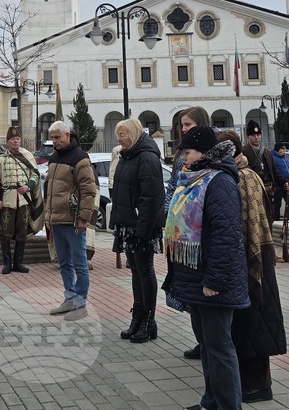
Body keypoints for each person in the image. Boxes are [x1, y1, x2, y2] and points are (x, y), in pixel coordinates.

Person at [165, 126, 249, 410]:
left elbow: (227, 236)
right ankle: (211, 402)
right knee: (209, 349)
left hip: (214, 282)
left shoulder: (219, 183)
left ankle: (227, 405)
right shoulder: (194, 179)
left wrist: (214, 280)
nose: (183, 159)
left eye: (187, 152)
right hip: (196, 279)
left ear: (202, 152)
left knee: (220, 348)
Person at [216, 130, 287, 404]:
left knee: (255, 321)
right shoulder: (237, 173)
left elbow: (248, 223)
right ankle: (250, 383)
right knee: (247, 325)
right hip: (246, 258)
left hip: (253, 257)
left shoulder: (243, 177)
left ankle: (257, 386)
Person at [110, 119, 165, 343]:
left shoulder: (147, 157)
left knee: (145, 270)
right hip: (128, 224)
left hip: (142, 226)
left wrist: (142, 228)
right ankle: (138, 317)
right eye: (118, 134)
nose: (119, 138)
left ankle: (149, 321)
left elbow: (151, 198)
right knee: (135, 271)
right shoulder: (127, 155)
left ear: (133, 134)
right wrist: (117, 222)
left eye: (122, 134)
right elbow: (120, 193)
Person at [166, 106, 211, 361]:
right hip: (181, 235)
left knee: (202, 295)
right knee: (190, 295)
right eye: (182, 125)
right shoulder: (180, 157)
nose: (184, 129)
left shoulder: (209, 156)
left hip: (197, 236)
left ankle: (208, 343)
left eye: (189, 124)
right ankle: (201, 340)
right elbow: (174, 188)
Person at [43, 121, 97, 317]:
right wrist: (47, 216)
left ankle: (80, 301)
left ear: (67, 136)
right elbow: (48, 190)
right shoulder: (53, 158)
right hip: (56, 220)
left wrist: (84, 218)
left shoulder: (80, 158)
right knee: (63, 262)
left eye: (57, 137)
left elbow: (89, 190)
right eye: (52, 137)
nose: (54, 141)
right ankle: (69, 297)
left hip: (74, 222)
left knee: (79, 262)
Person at [0, 127, 42, 274]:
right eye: (12, 139)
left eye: (17, 139)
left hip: (23, 201)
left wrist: (28, 186)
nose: (15, 141)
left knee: (21, 232)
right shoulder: (1, 158)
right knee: (5, 233)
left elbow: (35, 175)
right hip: (7, 200)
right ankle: (7, 263)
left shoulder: (27, 156)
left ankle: (18, 263)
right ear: (7, 141)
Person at [242, 121, 281, 221]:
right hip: (253, 192)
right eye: (253, 135)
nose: (256, 137)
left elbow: (275, 172)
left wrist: (285, 182)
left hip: (267, 192)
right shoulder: (243, 152)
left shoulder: (267, 152)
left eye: (258, 135)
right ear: (248, 137)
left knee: (268, 219)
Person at [270, 143, 289, 222]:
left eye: (285, 149)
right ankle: (275, 220)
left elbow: (288, 170)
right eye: (282, 148)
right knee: (277, 205)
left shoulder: (286, 158)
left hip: (288, 184)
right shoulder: (273, 158)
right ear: (277, 149)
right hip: (278, 185)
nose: (284, 151)